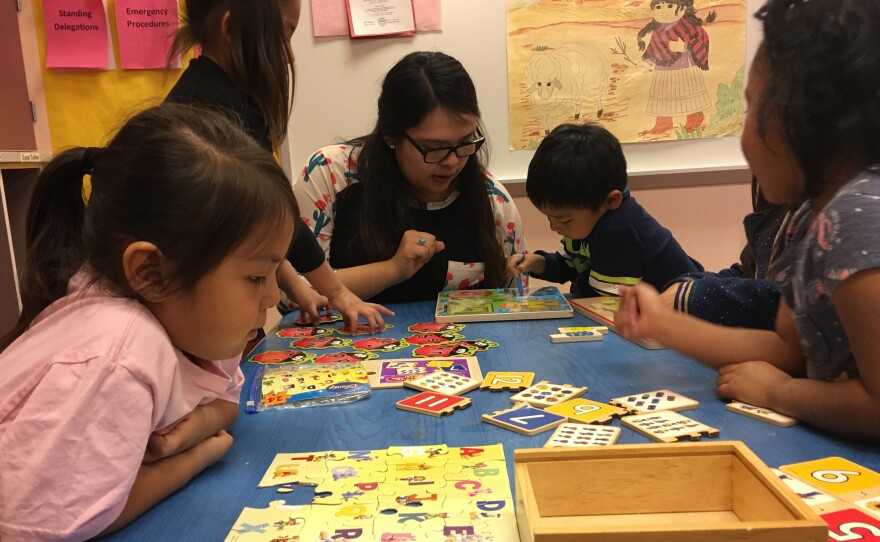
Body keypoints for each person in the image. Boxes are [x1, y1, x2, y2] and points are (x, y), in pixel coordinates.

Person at [0, 104, 293, 539]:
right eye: (256, 277)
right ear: (150, 273)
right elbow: (56, 525)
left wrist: (199, 426)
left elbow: (228, 398)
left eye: (274, 273)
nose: (272, 296)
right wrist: (195, 457)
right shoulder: (122, 351)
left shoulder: (193, 325)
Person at [615, 0, 880, 442]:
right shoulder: (805, 221)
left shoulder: (857, 216)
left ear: (797, 122)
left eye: (750, 107)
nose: (743, 132)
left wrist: (779, 393)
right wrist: (662, 324)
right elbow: (787, 350)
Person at [165, 0, 390, 330]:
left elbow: (258, 215)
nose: (289, 55)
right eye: (282, 35)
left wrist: (297, 287)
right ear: (231, 28)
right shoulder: (224, 113)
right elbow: (278, 214)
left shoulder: (207, 89)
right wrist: (338, 292)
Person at [294, 51, 525, 303]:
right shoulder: (330, 175)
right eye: (434, 147)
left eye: (466, 141)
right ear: (390, 136)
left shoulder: (494, 202)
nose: (452, 161)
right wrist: (391, 270)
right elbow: (292, 292)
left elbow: (516, 299)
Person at [508, 122, 702, 298]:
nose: (553, 227)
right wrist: (535, 262)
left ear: (611, 200)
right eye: (549, 218)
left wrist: (578, 283)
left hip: (684, 309)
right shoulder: (586, 223)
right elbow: (567, 264)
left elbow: (601, 299)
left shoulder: (620, 229)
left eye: (564, 219)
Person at [660, 177, 793, 330]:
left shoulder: (811, 230)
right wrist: (689, 284)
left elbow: (781, 303)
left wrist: (691, 296)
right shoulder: (777, 213)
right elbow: (747, 273)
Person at [636, 0, 716, 135]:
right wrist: (646, 62)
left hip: (684, 69)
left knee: (687, 93)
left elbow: (701, 41)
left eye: (669, 6)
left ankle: (694, 119)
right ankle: (664, 123)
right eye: (658, 7)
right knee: (663, 96)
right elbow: (653, 48)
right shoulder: (658, 30)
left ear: (684, 7)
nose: (664, 11)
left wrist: (685, 47)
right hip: (662, 71)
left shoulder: (690, 27)